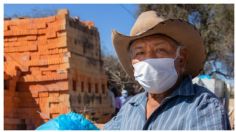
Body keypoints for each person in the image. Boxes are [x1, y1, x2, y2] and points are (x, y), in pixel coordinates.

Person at [103, 10, 231, 130]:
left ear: (181, 59)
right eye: (140, 52)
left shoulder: (203, 107)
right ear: (132, 63)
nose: (149, 60)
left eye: (160, 50)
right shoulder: (130, 107)